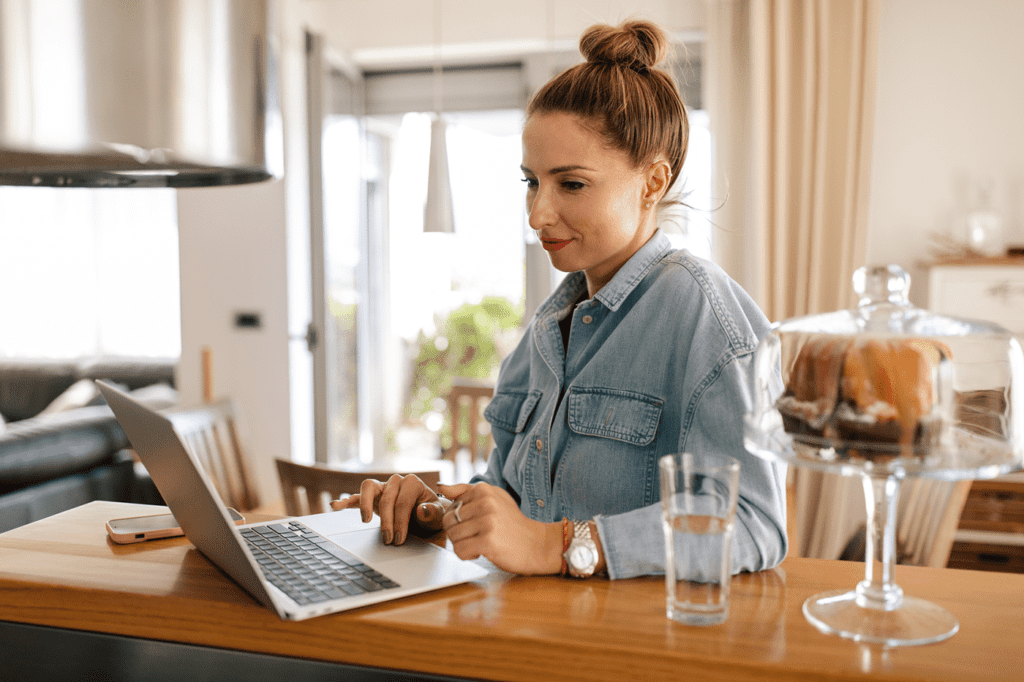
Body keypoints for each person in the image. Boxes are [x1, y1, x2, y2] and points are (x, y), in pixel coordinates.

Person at [332, 19, 788, 580]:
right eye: (532, 182)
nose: (537, 215)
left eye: (570, 184)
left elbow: (754, 523)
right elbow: (517, 504)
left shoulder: (707, 319)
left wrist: (562, 546)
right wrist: (438, 512)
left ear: (652, 182)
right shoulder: (550, 327)